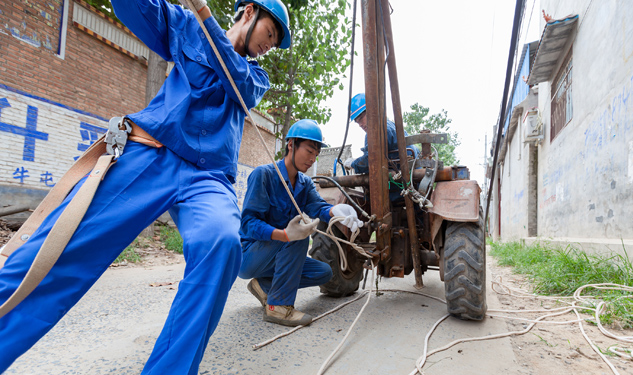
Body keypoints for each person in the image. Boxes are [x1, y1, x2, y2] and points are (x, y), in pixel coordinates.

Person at [0, 0, 290, 374]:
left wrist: (206, 16)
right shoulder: (185, 26)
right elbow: (130, 8)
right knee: (61, 246)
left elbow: (239, 84)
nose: (270, 43)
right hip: (151, 152)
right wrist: (195, 16)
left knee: (222, 243)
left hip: (209, 180)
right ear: (249, 12)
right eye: (270, 33)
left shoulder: (255, 76)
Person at [238, 119, 363, 327]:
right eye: (309, 151)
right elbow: (248, 224)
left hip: (276, 255)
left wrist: (336, 211)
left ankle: (264, 286)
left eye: (316, 154)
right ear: (291, 145)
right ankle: (278, 307)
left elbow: (317, 207)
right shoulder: (264, 175)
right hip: (250, 256)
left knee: (324, 272)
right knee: (298, 237)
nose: (313, 159)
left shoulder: (304, 183)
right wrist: (284, 235)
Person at [344, 93, 419, 203]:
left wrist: (353, 164)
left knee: (368, 200)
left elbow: (369, 161)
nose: (360, 124)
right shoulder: (389, 126)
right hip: (408, 183)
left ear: (372, 110)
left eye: (361, 118)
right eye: (357, 121)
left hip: (398, 188)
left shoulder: (377, 131)